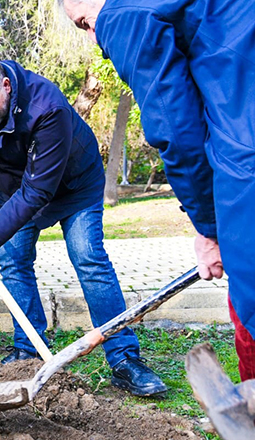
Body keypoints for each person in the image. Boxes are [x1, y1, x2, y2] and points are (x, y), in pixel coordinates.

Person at [0, 54, 166, 396]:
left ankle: (124, 359)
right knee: (14, 262)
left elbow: (37, 191)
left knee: (88, 259)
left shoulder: (47, 106)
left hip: (73, 184)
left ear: (5, 85)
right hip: (14, 185)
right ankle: (29, 350)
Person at [59, 0, 255, 383]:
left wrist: (209, 229)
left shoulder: (122, 12)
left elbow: (176, 128)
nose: (92, 37)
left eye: (84, 22)